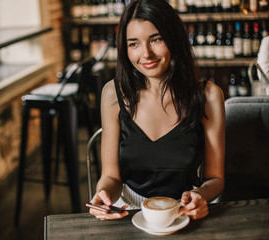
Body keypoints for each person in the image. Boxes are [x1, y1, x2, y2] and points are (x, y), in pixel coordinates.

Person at [89, 0, 225, 221]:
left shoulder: (209, 96)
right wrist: (103, 195)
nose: (146, 54)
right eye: (133, 44)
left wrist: (200, 195)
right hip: (128, 213)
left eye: (156, 39)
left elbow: (215, 178)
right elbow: (111, 177)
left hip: (184, 210)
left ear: (174, 39)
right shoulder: (112, 94)